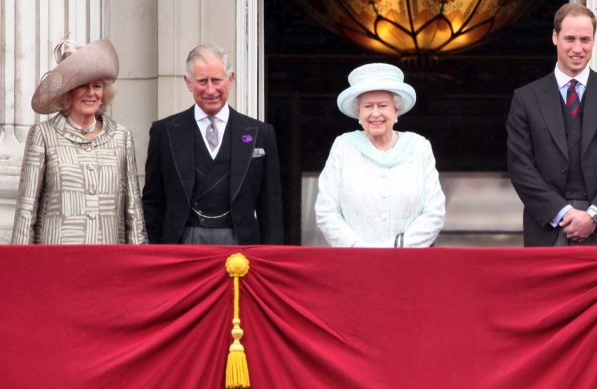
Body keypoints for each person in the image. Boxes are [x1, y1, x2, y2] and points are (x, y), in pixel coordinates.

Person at [507, 3, 597, 246]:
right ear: (555, 37)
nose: (578, 48)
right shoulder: (526, 98)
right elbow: (520, 167)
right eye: (570, 39)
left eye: (585, 39)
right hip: (548, 227)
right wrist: (563, 213)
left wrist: (593, 215)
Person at [142, 44, 283, 244]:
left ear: (230, 79)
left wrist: (271, 260)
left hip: (241, 243)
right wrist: (154, 257)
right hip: (183, 242)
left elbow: (271, 208)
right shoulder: (164, 132)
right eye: (202, 81)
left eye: (216, 80)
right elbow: (153, 203)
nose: (210, 90)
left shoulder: (261, 134)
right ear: (188, 82)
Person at [12, 38, 147, 244]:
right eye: (82, 86)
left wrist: (140, 267)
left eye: (97, 86)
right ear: (68, 91)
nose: (91, 93)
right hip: (57, 263)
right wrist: (21, 269)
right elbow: (26, 210)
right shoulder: (44, 135)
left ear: (104, 93)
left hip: (109, 263)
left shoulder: (122, 137)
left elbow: (133, 213)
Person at [314, 63, 445, 247]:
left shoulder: (419, 147)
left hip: (408, 262)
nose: (375, 113)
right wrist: (359, 248)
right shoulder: (344, 147)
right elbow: (326, 210)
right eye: (368, 106)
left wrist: (398, 247)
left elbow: (435, 211)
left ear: (395, 110)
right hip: (355, 262)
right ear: (359, 112)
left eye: (383, 105)